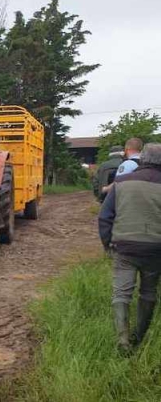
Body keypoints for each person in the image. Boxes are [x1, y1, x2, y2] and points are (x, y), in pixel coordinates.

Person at [98, 143, 161, 352]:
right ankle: (138, 337)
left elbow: (105, 217)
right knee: (148, 292)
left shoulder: (122, 182)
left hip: (124, 247)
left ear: (142, 160)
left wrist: (107, 244)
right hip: (155, 249)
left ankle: (123, 341)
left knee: (121, 293)